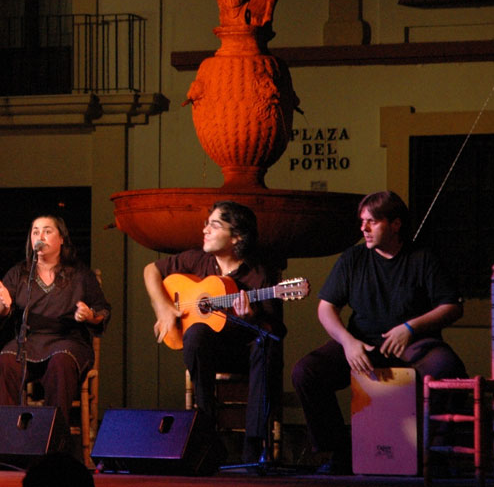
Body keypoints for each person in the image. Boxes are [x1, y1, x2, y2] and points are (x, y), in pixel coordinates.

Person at [291, 190, 465, 475]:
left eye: (372, 222)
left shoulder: (423, 258)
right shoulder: (353, 258)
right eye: (362, 221)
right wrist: (348, 343)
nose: (363, 228)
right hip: (362, 344)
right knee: (306, 372)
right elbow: (326, 308)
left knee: (448, 368)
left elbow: (452, 307)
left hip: (412, 343)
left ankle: (437, 455)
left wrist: (410, 328)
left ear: (395, 224)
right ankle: (339, 451)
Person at [142, 200, 283, 463]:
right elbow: (151, 270)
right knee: (195, 332)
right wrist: (162, 308)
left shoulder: (259, 275)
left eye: (214, 225)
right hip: (208, 353)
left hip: (245, 355)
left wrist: (251, 317)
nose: (205, 230)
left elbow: (274, 329)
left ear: (236, 237)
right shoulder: (197, 260)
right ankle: (206, 434)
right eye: (206, 224)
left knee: (267, 345)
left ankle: (254, 445)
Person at [0, 215, 109, 457]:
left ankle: (54, 446)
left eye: (46, 231)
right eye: (35, 232)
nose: (39, 237)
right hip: (29, 342)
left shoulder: (79, 274)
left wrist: (89, 315)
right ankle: (10, 443)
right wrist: (2, 303)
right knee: (4, 363)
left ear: (61, 239)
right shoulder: (20, 273)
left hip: (69, 341)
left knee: (61, 364)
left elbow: (102, 311)